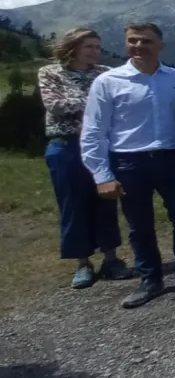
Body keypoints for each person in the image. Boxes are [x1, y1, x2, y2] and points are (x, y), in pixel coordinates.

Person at [81, 23, 175, 308]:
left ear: (160, 45)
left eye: (146, 41)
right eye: (132, 41)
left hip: (173, 157)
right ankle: (150, 280)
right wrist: (101, 174)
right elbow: (93, 131)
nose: (139, 46)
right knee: (139, 226)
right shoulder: (108, 82)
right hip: (128, 160)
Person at [39, 27, 132, 289]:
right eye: (88, 46)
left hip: (103, 146)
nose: (94, 52)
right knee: (73, 203)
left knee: (106, 199)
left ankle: (112, 258)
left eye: (97, 47)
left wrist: (87, 103)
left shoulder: (103, 73)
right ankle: (82, 263)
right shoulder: (50, 72)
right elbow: (55, 105)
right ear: (73, 47)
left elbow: (116, 105)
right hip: (65, 146)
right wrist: (95, 102)